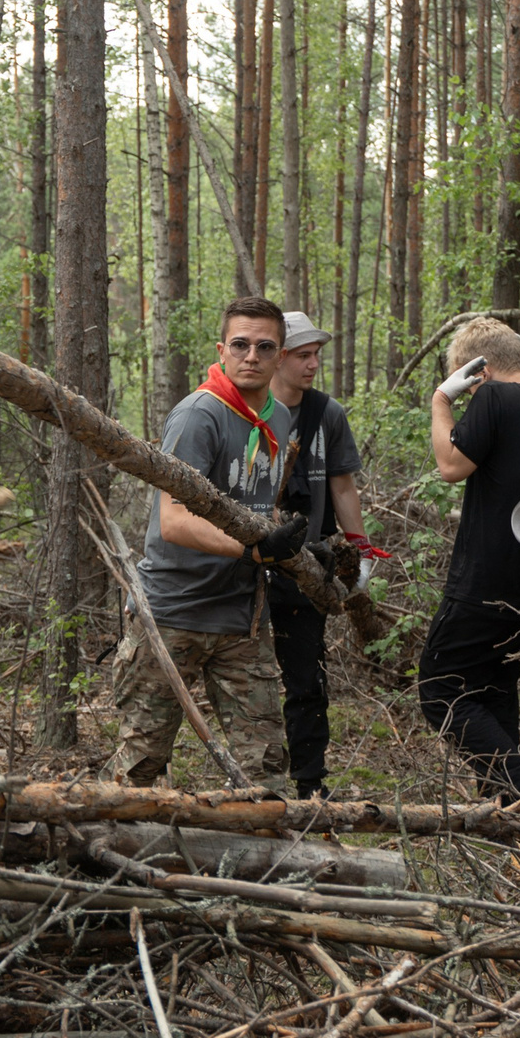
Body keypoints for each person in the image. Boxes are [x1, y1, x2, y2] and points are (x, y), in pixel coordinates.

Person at [104, 296, 302, 791]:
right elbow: (173, 521)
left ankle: (268, 864)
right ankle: (112, 857)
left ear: (280, 356)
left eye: (264, 346)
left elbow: (256, 507)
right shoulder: (199, 415)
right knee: (140, 767)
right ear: (222, 349)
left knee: (267, 771)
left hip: (241, 620)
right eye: (240, 344)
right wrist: (254, 550)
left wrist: (293, 544)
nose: (251, 356)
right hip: (173, 615)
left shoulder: (278, 420)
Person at [416, 317, 520, 811]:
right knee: (492, 694)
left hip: (487, 581)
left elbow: (450, 466)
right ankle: (510, 817)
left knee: (440, 688)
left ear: (478, 371)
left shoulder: (493, 399)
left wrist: (441, 402)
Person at [265, 310, 384, 799]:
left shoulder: (328, 415)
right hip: (243, 569)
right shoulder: (241, 410)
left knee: (307, 679)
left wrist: (359, 550)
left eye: (317, 354)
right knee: (244, 676)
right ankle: (257, 781)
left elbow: (342, 485)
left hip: (307, 567)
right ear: (277, 357)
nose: (313, 364)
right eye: (302, 355)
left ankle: (309, 784)